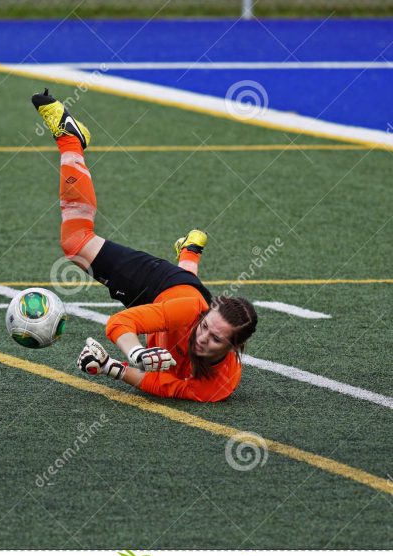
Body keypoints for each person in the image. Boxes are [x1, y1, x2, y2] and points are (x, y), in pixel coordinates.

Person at [32, 89, 256, 402]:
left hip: (178, 303)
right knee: (75, 244)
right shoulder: (192, 312)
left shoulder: (219, 387)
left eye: (215, 338)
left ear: (233, 348)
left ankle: (190, 252)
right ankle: (71, 138)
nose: (202, 337)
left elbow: (165, 387)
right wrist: (135, 352)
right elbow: (120, 322)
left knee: (181, 292)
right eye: (206, 327)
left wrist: (111, 367)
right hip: (164, 289)